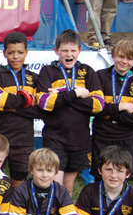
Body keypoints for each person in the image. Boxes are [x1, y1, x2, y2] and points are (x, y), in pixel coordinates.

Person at [36, 29, 104, 196]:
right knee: (55, 185)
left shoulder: (88, 72)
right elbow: (45, 103)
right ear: (56, 51)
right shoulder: (48, 71)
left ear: (80, 51)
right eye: (65, 50)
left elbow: (98, 105)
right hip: (55, 138)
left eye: (73, 50)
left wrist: (60, 95)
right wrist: (77, 93)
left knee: (68, 187)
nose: (69, 54)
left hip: (79, 139)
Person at [0, 32, 45, 189]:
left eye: (20, 52)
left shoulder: (34, 78)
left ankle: (15, 212)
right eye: (11, 52)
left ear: (26, 52)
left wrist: (11, 107)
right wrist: (26, 101)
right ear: (4, 52)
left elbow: (40, 111)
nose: (15, 56)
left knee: (18, 186)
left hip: (23, 141)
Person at [92, 39, 133, 180]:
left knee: (124, 177)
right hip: (102, 137)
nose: (124, 61)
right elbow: (94, 108)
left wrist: (108, 113)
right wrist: (121, 107)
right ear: (113, 55)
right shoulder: (99, 76)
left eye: (130, 59)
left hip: (127, 138)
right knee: (101, 177)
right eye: (121, 56)